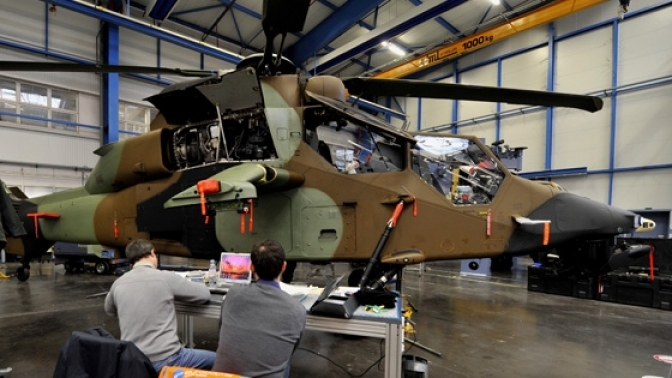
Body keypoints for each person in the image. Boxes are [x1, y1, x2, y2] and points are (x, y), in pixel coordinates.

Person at [104, 239, 215, 372]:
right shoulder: (165, 278)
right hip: (167, 359)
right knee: (217, 359)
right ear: (152, 253)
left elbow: (109, 310)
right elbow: (203, 295)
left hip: (133, 361)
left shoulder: (119, 283)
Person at [212, 239, 307, 378]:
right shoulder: (297, 310)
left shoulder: (232, 294)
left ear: (251, 267)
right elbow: (291, 349)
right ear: (284, 267)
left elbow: (221, 332)